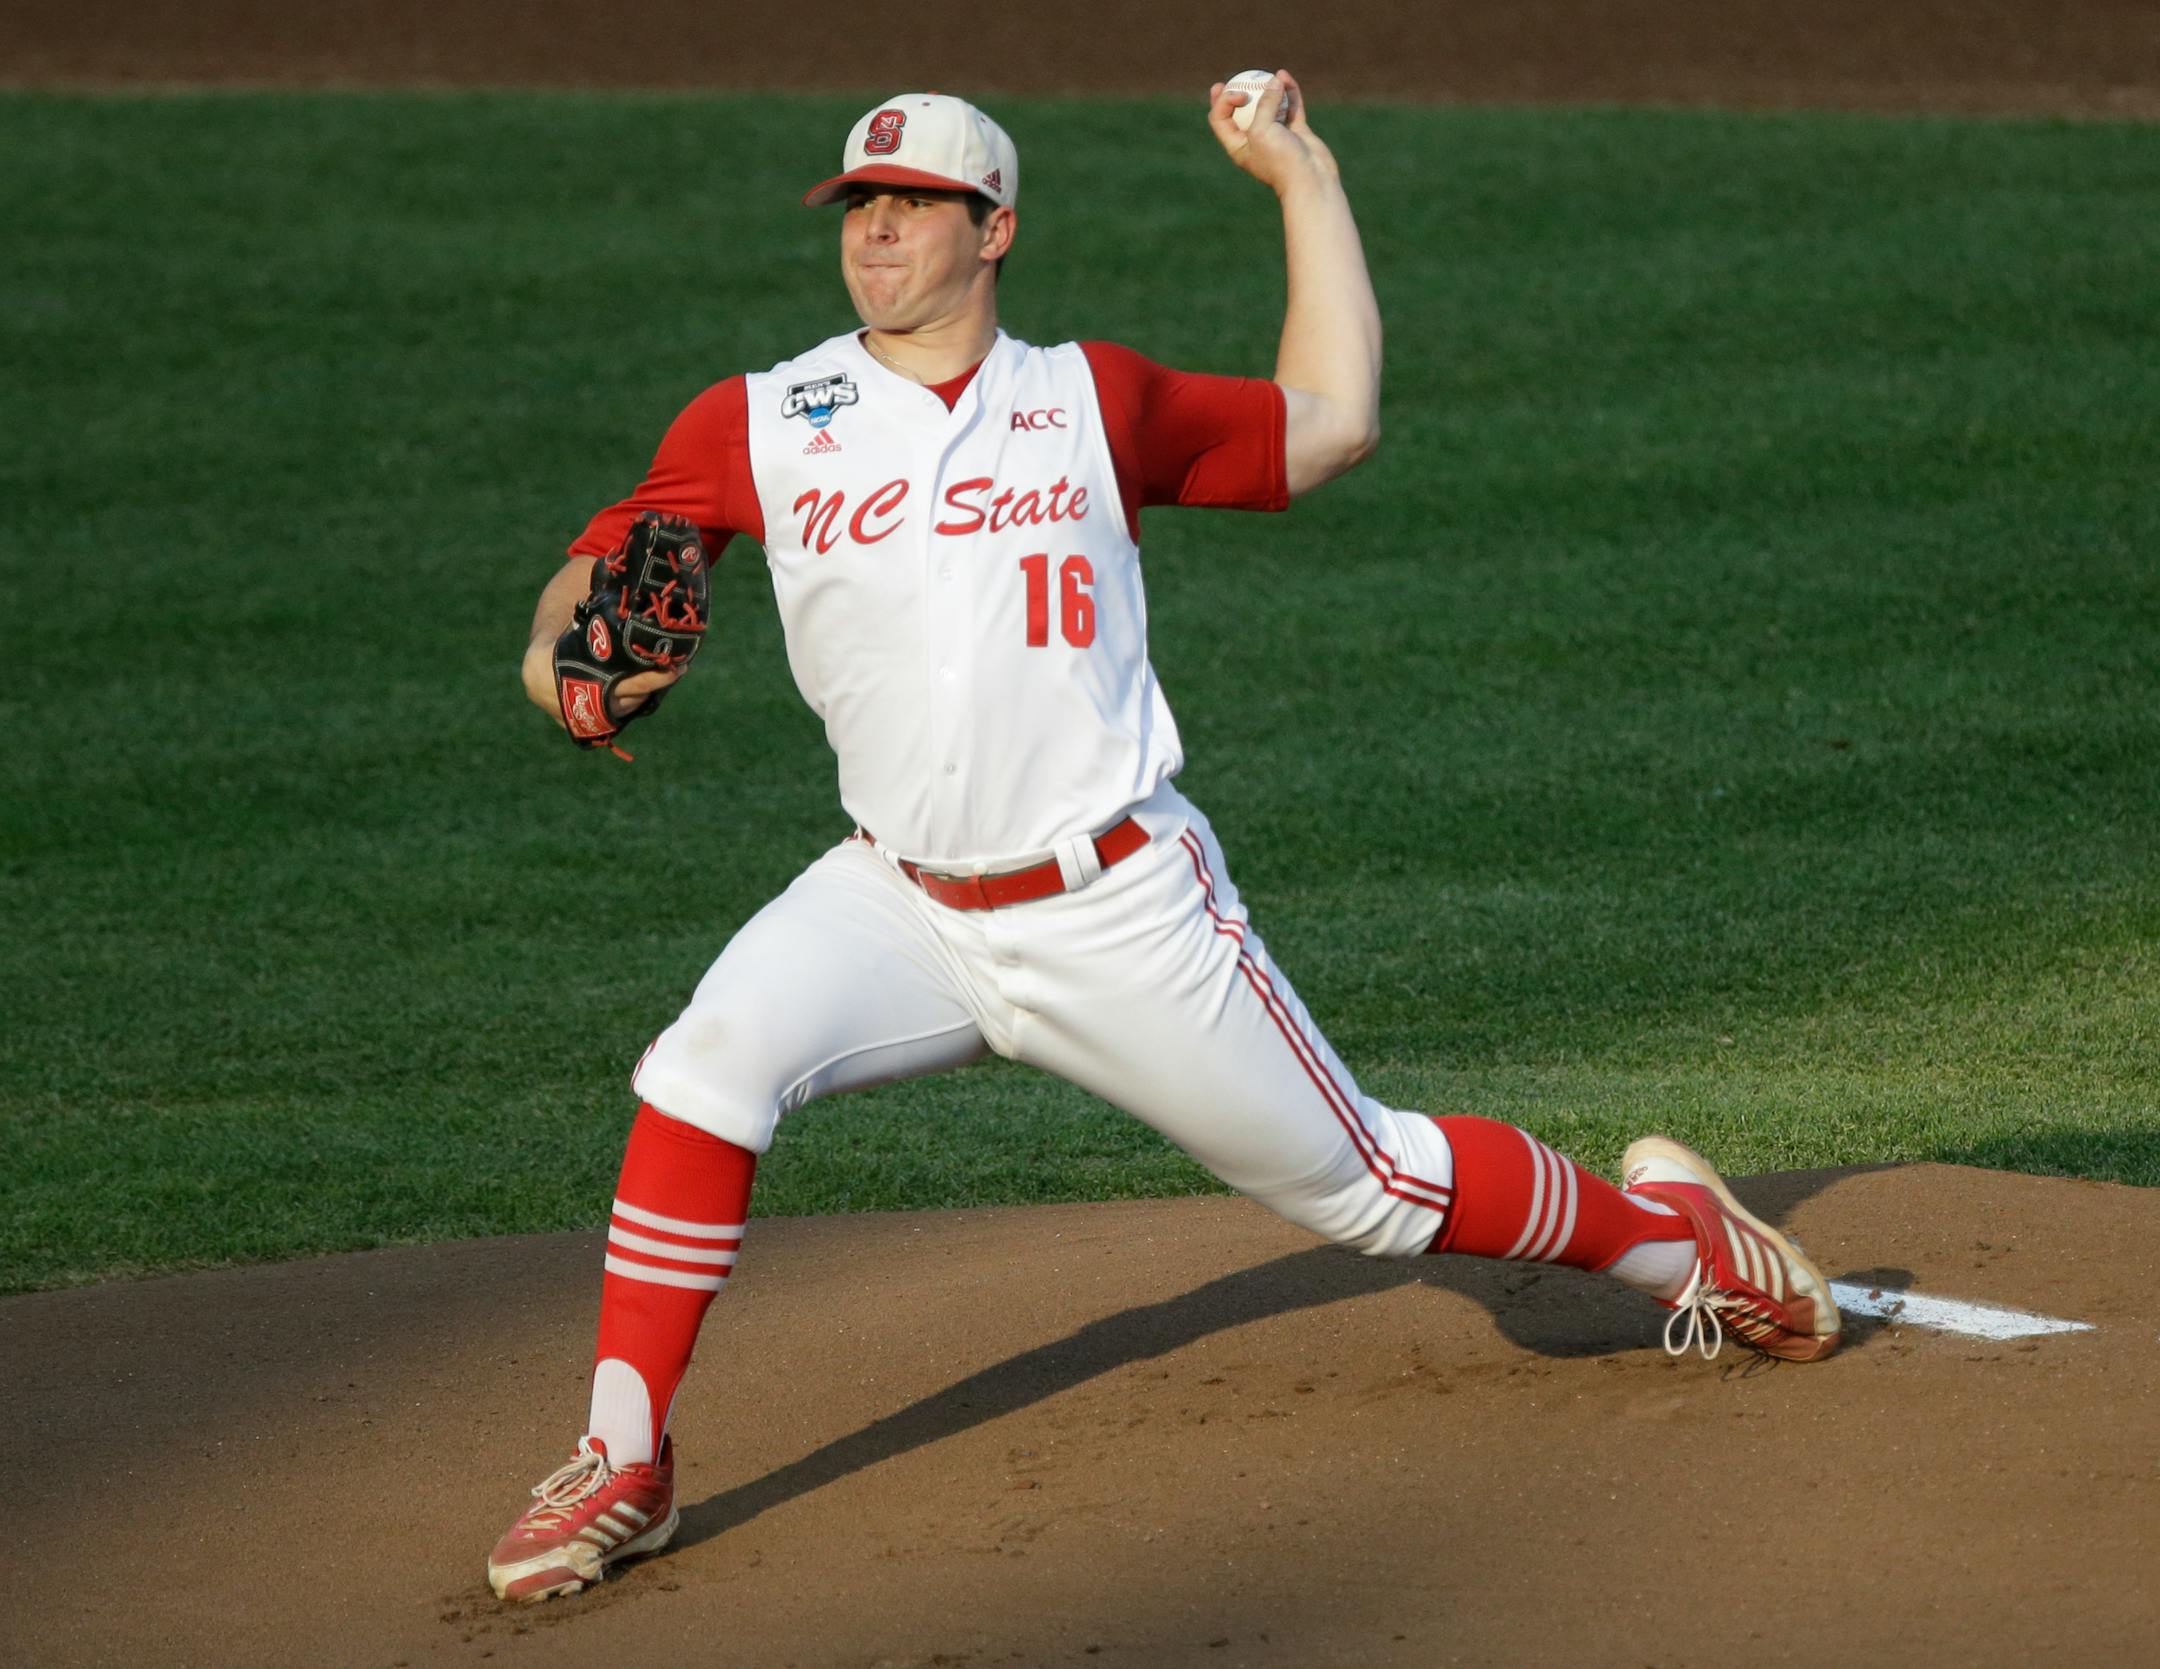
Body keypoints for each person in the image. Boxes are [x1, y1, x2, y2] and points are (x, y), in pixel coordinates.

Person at [486, 77, 1842, 1604]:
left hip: (1118, 903)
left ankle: (1686, 1248)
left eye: (916, 202)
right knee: (702, 1064)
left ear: (993, 228)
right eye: (860, 201)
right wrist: (569, 678)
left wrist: (1299, 178)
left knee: (1375, 1191)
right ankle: (626, 1457)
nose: (876, 223)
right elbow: (584, 591)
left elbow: (1333, 427)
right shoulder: (755, 419)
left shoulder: (1091, 399)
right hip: (898, 898)